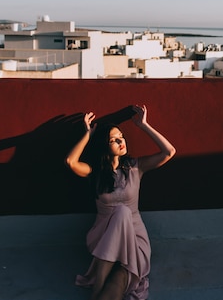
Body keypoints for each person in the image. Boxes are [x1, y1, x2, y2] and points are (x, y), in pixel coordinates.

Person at [66, 104, 176, 300]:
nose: (120, 141)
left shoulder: (136, 167)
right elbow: (71, 162)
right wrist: (87, 135)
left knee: (119, 280)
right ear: (104, 145)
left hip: (135, 239)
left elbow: (169, 152)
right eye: (113, 140)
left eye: (121, 137)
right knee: (121, 212)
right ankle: (98, 286)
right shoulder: (96, 172)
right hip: (103, 238)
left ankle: (97, 292)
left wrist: (143, 125)